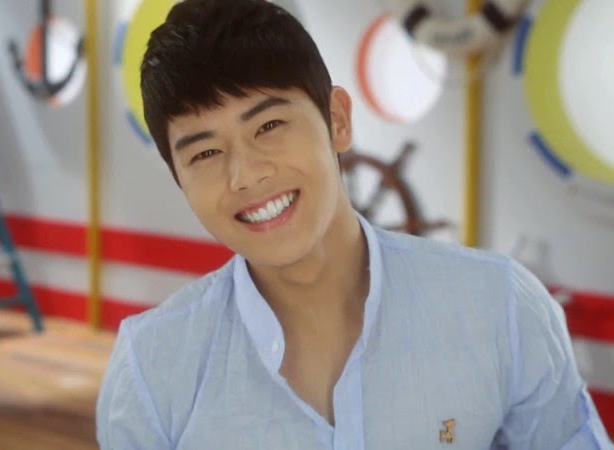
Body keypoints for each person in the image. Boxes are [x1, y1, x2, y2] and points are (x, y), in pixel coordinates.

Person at [96, 0, 614, 448]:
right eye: (205, 153)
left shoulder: (500, 308)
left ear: (338, 120)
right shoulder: (152, 368)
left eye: (269, 125)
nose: (246, 175)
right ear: (178, 177)